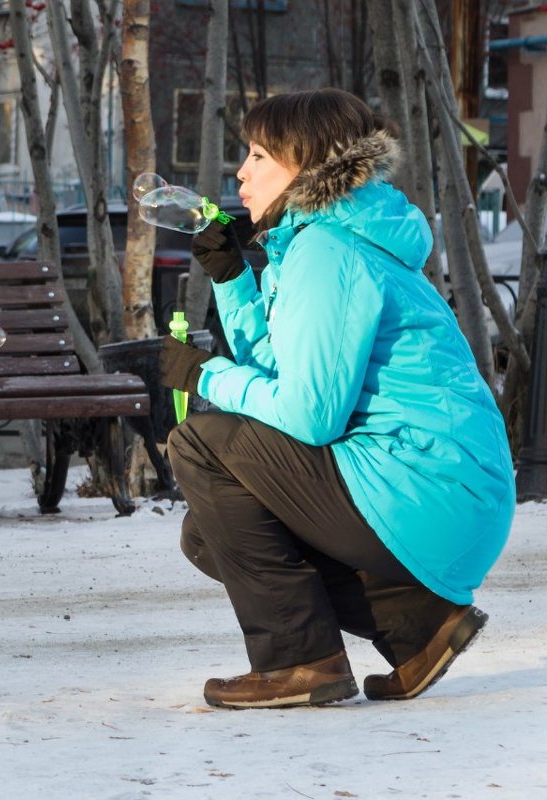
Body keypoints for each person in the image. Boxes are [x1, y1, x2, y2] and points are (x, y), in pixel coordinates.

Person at [158, 88, 515, 709]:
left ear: (306, 163)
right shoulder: (329, 239)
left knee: (200, 442)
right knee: (208, 534)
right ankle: (416, 624)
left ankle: (299, 661)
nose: (241, 172)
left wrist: (205, 376)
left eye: (260, 154)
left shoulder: (327, 250)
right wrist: (233, 280)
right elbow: (285, 371)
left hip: (426, 485)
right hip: (442, 490)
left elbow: (308, 416)